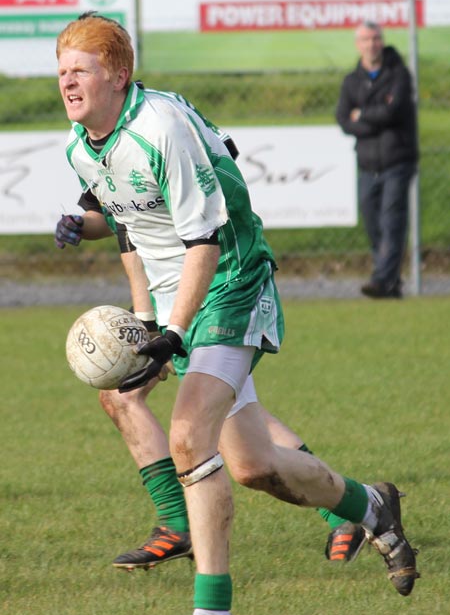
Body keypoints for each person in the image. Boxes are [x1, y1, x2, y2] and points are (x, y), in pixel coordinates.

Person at [56, 12, 419, 615]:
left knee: (190, 438)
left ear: (117, 75)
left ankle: (213, 614)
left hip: (229, 278)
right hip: (180, 293)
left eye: (79, 70)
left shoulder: (160, 126)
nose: (66, 82)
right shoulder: (79, 143)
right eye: (60, 71)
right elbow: (125, 217)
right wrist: (85, 232)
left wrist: (171, 331)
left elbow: (204, 240)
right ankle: (370, 505)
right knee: (250, 463)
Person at [56, 208, 365, 566]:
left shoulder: (168, 152)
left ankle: (346, 510)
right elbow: (115, 214)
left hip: (210, 283)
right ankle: (177, 524)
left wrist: (152, 323)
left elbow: (198, 201)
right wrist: (84, 224)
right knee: (133, 398)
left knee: (221, 413)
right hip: (164, 286)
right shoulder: (92, 154)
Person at [336, 20, 418, 299]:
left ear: (382, 41)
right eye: (366, 39)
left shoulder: (399, 75)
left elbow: (393, 112)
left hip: (397, 160)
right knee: (373, 222)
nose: (372, 44)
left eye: (376, 38)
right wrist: (372, 117)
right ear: (358, 44)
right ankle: (391, 280)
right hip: (368, 164)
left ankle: (382, 281)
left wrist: (364, 115)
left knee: (392, 219)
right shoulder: (351, 80)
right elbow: (344, 119)